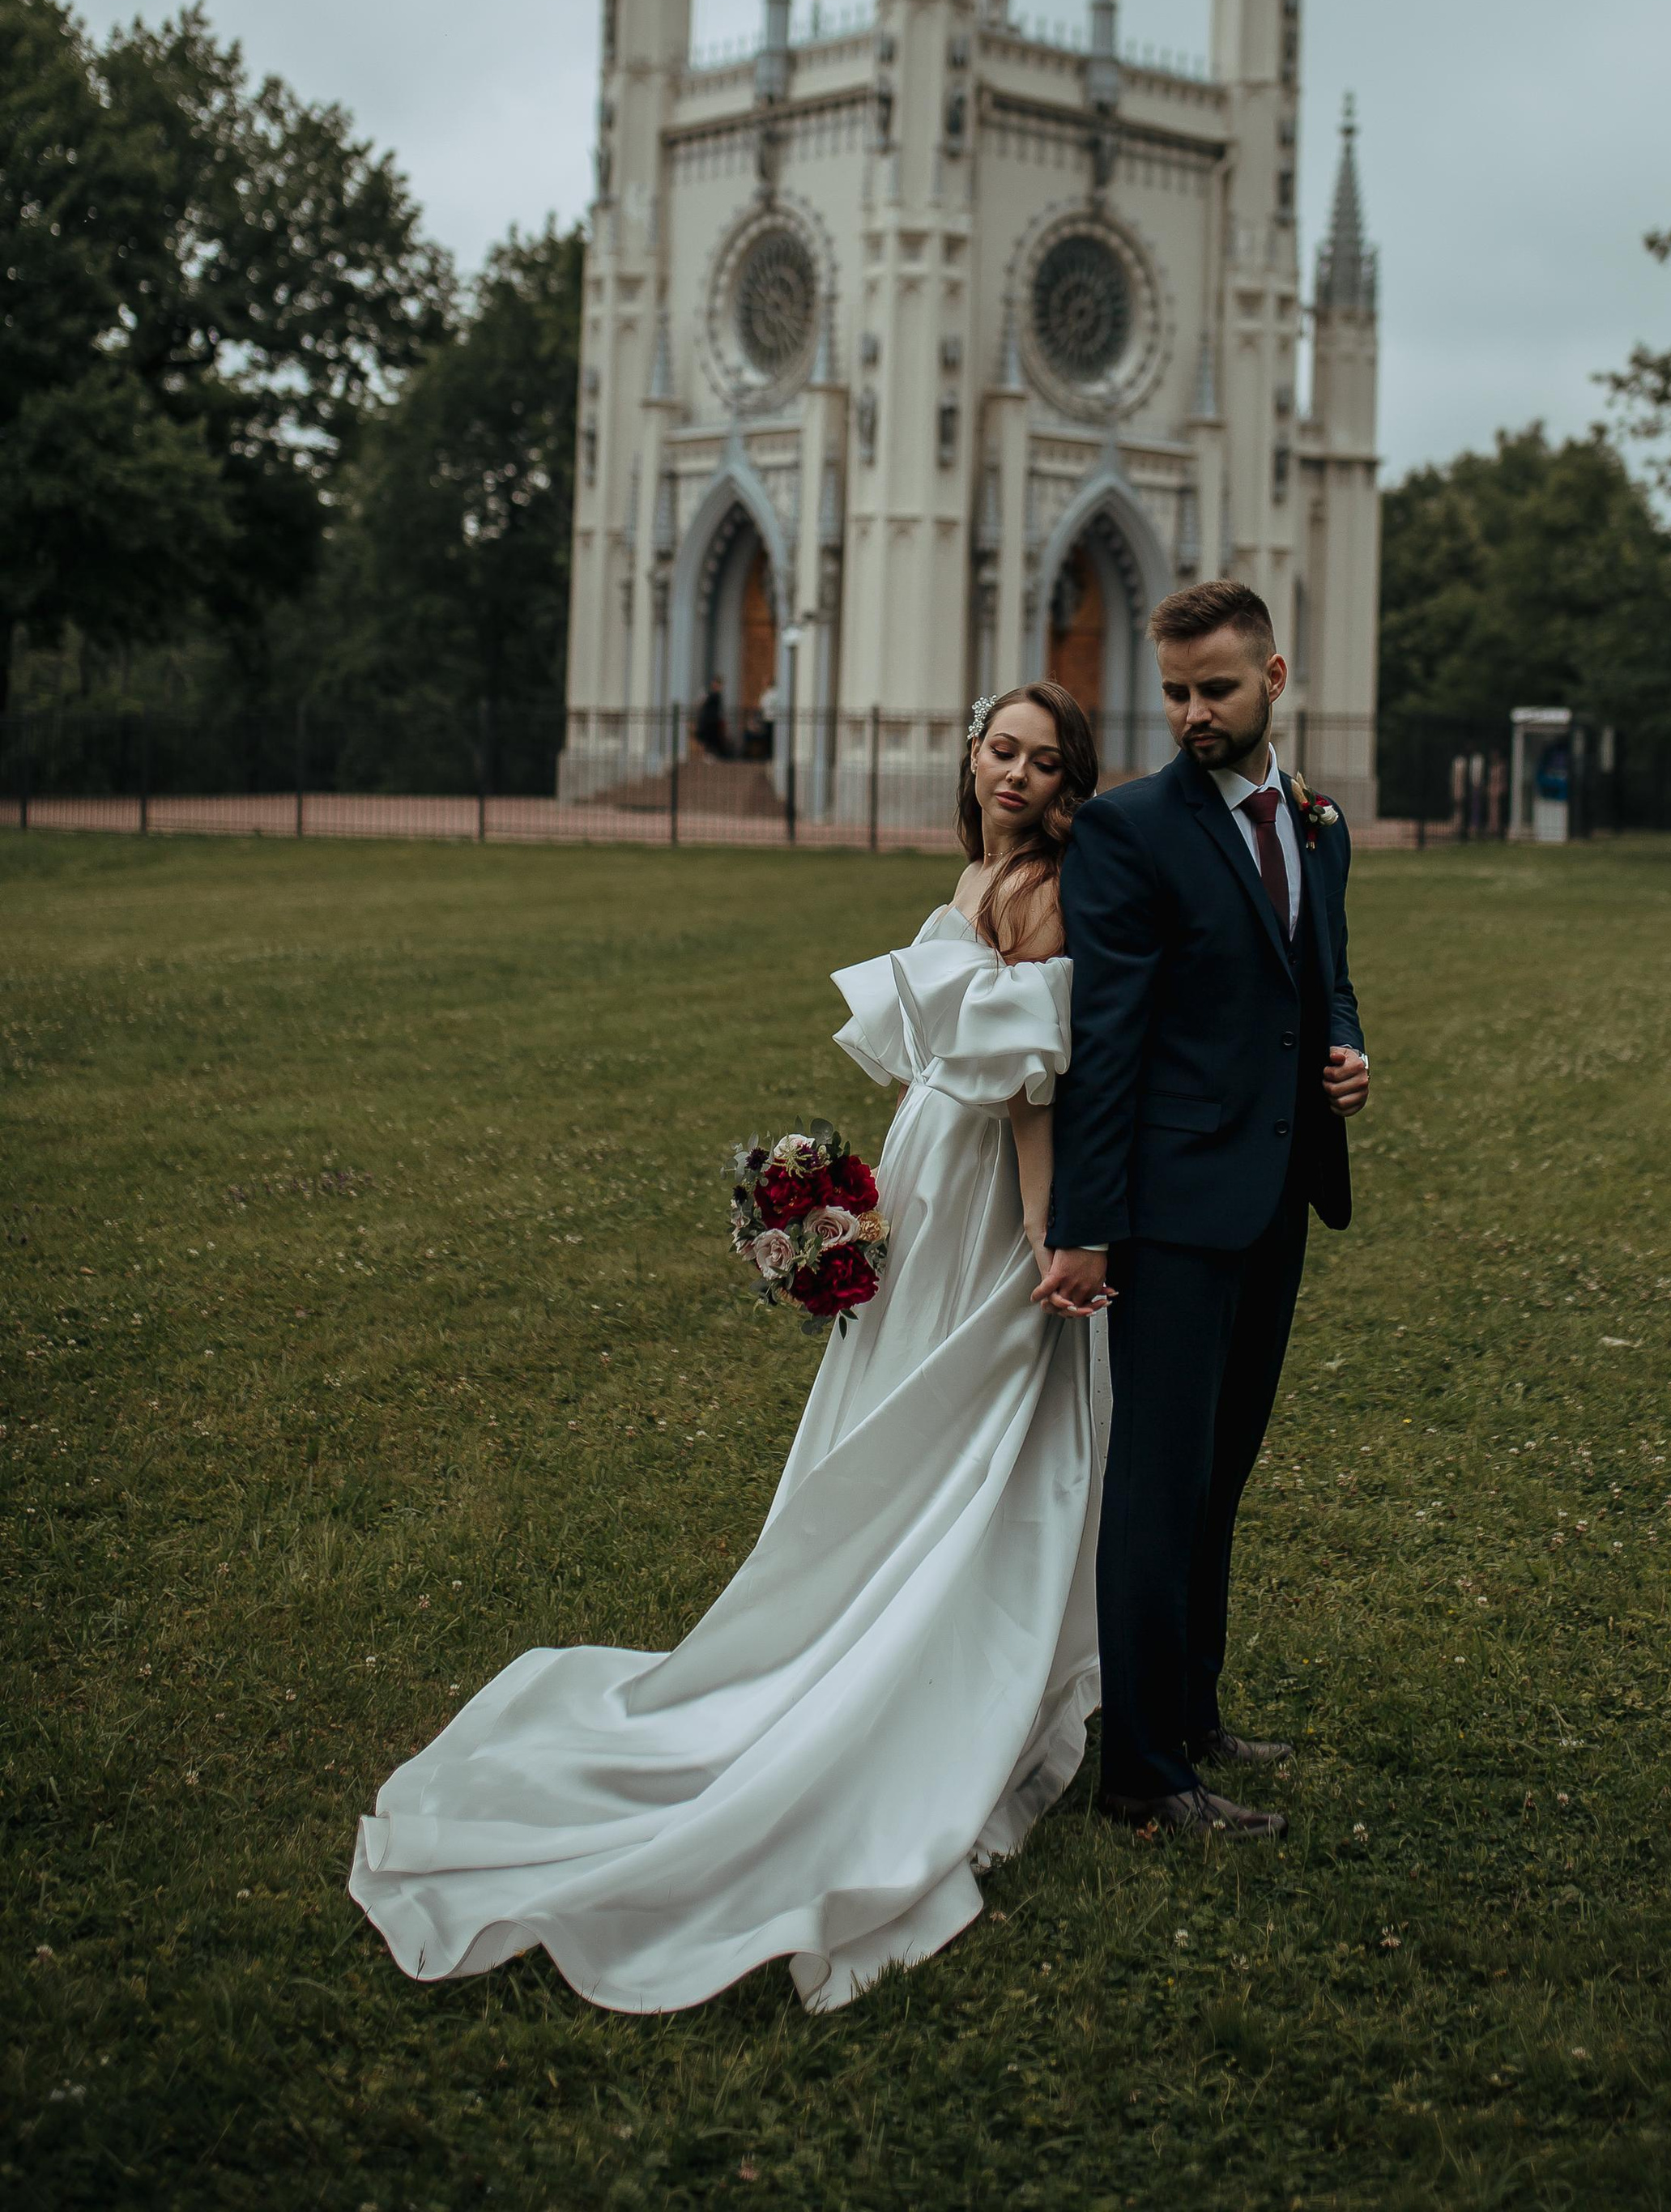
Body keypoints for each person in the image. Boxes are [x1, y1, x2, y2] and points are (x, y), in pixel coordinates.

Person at [348, 684, 1106, 2014]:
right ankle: (891, 1626)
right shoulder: (983, 873)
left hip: (994, 1198)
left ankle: (928, 1641)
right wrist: (850, 1195)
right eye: (1001, 749)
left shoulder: (1040, 891)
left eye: (1044, 763)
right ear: (973, 757)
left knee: (962, 1420)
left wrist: (1051, 1231)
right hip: (938, 1176)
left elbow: (1031, 1083)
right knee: (921, 1415)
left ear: (1069, 786)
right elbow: (947, 1063)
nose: (1017, 775)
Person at [1042, 580, 1368, 1839]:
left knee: (1225, 1473)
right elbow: (1107, 1047)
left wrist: (1346, 1048)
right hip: (1171, 1212)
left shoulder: (1318, 822)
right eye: (1175, 691)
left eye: (1216, 689)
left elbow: (1323, 983)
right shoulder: (1127, 833)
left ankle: (1195, 1710)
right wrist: (1086, 1227)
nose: (1190, 713)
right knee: (1160, 1482)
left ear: (1275, 680)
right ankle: (1143, 1774)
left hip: (1279, 1193)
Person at [693, 675, 729, 758]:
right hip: (707, 720)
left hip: (712, 721)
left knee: (712, 740)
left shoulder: (716, 695)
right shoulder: (711, 694)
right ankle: (706, 754)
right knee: (705, 739)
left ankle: (712, 755)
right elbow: (700, 704)